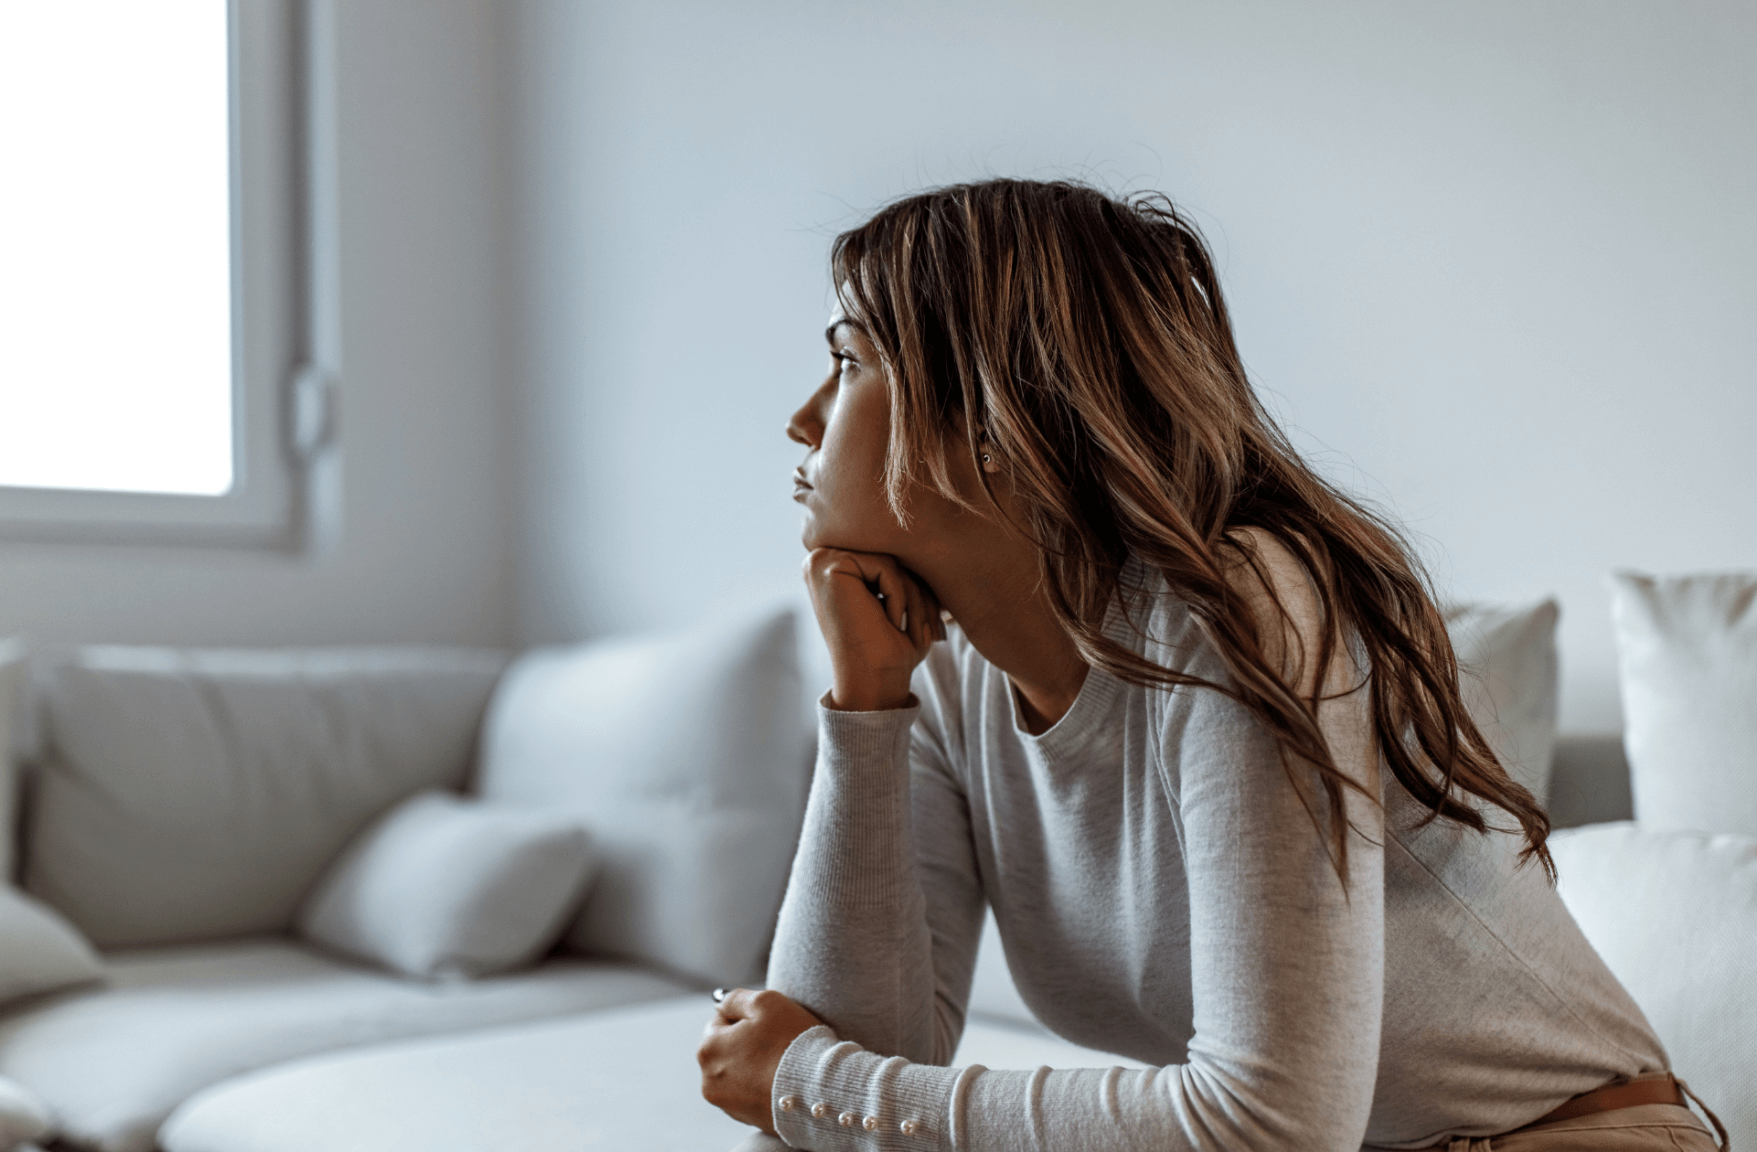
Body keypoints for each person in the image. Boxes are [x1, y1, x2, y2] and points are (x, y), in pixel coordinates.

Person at [695, 179, 1728, 1152]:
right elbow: (839, 1087)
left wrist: (812, 1083)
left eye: (848, 358)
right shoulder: (950, 679)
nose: (804, 419)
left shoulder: (1234, 607)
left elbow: (1269, 1127)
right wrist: (864, 708)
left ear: (991, 413)